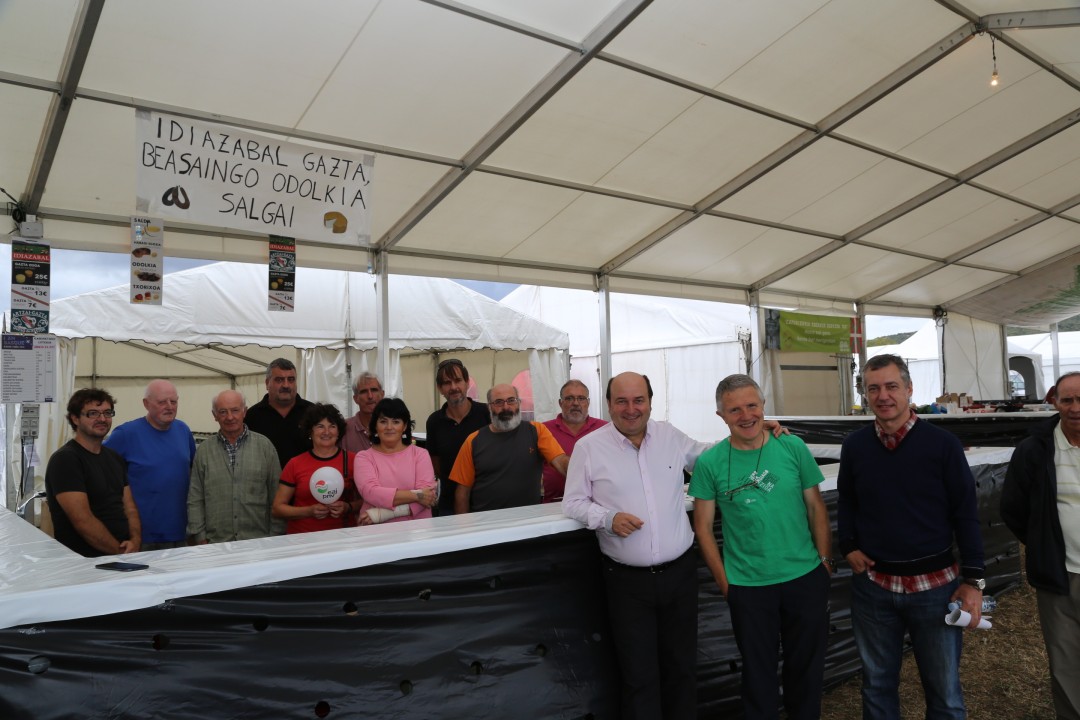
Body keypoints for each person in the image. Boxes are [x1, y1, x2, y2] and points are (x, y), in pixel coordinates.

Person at [838, 354, 985, 720]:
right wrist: (848, 545)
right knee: (876, 686)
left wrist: (973, 580)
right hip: (874, 587)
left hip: (935, 588)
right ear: (865, 394)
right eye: (873, 388)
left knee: (944, 691)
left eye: (891, 386)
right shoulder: (855, 446)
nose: (883, 396)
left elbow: (966, 513)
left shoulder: (943, 445)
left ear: (909, 389)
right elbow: (847, 501)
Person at [563, 372, 710, 720]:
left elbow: (710, 457)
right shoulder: (589, 448)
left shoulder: (669, 435)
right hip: (627, 584)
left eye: (638, 400)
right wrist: (607, 518)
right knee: (639, 677)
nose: (631, 409)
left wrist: (754, 433)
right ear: (609, 405)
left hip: (680, 576)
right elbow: (573, 502)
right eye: (622, 401)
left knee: (682, 669)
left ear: (650, 402)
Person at [690, 374, 832, 720]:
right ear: (721, 415)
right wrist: (727, 585)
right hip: (749, 586)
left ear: (763, 405)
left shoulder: (791, 447)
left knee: (806, 671)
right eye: (734, 410)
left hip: (804, 577)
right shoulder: (710, 463)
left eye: (752, 406)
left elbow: (816, 507)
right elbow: (703, 529)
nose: (746, 415)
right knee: (758, 675)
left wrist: (824, 563)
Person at [1001, 370, 1080, 718]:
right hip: (1060, 573)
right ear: (1054, 402)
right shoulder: (1035, 450)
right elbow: (1013, 507)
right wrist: (1042, 544)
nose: (1075, 407)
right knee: (1065, 660)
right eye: (1068, 400)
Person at [46, 388, 142, 557]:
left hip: (123, 556)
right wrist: (119, 553)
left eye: (107, 413)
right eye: (93, 413)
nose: (102, 419)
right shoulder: (65, 460)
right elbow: (82, 520)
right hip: (85, 563)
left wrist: (135, 540)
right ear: (75, 418)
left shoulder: (114, 458)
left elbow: (130, 508)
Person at [104, 379, 196, 550]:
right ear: (146, 404)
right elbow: (101, 471)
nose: (169, 407)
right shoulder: (125, 434)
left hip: (181, 533)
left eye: (173, 401)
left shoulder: (183, 430)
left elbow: (193, 472)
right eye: (162, 402)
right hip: (141, 537)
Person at [450, 383, 568, 514]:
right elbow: (462, 493)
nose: (506, 407)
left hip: (529, 520)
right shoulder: (473, 441)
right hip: (486, 522)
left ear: (519, 403)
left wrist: (582, 472)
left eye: (511, 400)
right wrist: (464, 525)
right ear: (489, 407)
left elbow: (560, 462)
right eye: (498, 402)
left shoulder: (537, 431)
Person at [188, 390, 283, 544]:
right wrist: (200, 537)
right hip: (216, 543)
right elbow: (195, 498)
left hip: (258, 542)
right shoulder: (204, 451)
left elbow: (277, 495)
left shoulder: (265, 447)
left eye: (235, 410)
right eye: (223, 412)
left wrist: (275, 535)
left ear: (244, 412)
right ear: (214, 415)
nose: (230, 417)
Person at [272, 403, 358, 534]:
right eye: (320, 426)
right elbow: (277, 509)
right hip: (303, 538)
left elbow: (368, 500)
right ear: (310, 432)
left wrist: (348, 507)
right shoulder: (295, 464)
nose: (326, 432)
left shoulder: (354, 460)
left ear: (338, 432)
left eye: (332, 426)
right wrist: (309, 511)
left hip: (344, 537)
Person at [355, 398, 437, 525]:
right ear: (375, 426)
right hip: (377, 531)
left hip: (418, 530)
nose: (389, 427)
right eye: (383, 421)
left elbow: (427, 497)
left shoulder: (420, 454)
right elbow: (371, 493)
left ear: (405, 426)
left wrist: (380, 514)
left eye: (396, 422)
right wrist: (417, 495)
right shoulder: (363, 457)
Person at [425, 358, 490, 515]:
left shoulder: (486, 413)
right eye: (447, 383)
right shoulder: (434, 421)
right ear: (440, 388)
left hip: (486, 500)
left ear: (467, 383)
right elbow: (436, 464)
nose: (453, 387)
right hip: (449, 504)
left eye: (458, 380)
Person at [541, 380, 607, 503]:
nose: (576, 403)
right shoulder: (543, 430)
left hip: (597, 505)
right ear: (560, 403)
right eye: (569, 398)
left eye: (581, 398)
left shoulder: (605, 429)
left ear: (588, 402)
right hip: (553, 504)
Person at [244, 357, 315, 468]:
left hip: (306, 477)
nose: (286, 385)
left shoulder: (313, 413)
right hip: (266, 478)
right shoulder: (251, 416)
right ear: (267, 383)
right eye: (279, 380)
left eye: (291, 379)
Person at [342, 372, 385, 453]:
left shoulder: (394, 427)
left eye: (374, 390)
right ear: (355, 398)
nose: (370, 396)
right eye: (364, 391)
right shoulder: (343, 429)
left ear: (382, 394)